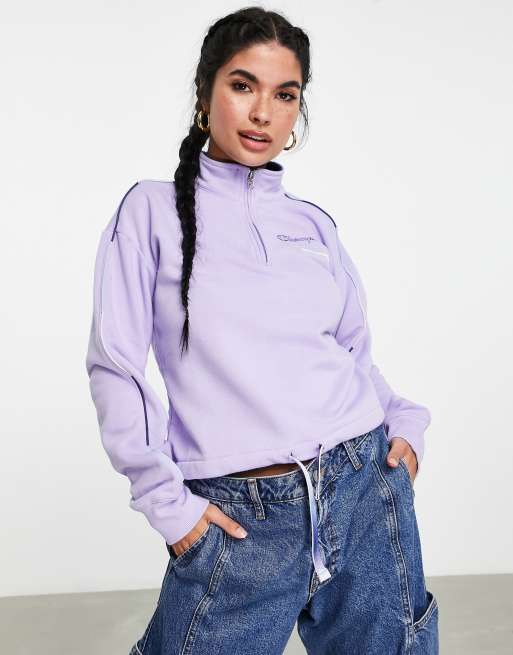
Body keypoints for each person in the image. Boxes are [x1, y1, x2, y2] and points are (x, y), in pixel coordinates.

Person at [85, 6, 439, 654]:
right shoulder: (150, 212)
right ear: (204, 93)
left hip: (362, 488)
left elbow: (352, 354)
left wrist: (404, 423)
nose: (262, 113)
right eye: (243, 85)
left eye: (284, 94)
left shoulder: (311, 224)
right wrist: (169, 506)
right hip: (241, 518)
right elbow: (116, 365)